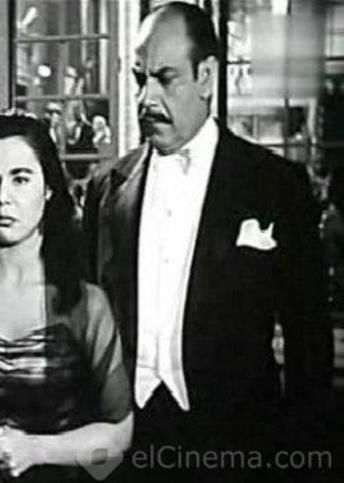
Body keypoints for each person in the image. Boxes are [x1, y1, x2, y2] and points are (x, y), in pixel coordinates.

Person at [83, 3, 334, 481]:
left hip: (236, 448)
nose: (147, 98)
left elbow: (309, 345)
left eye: (165, 78)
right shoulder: (105, 190)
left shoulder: (274, 185)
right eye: (139, 79)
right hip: (124, 450)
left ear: (206, 76)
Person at [0, 110, 133, 482]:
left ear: (48, 189)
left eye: (20, 179)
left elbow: (119, 432)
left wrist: (36, 450)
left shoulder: (85, 303)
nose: (3, 197)